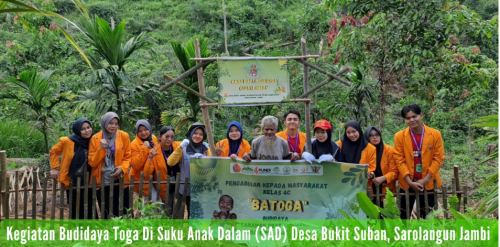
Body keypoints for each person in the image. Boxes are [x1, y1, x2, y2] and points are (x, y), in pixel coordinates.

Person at [393, 104, 445, 219]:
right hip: (407, 183)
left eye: (414, 116)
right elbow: (399, 159)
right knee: (403, 216)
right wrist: (409, 181)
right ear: (404, 120)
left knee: (428, 216)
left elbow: (439, 157)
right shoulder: (399, 136)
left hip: (428, 182)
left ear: (421, 116)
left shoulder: (435, 134)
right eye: (408, 118)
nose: (411, 120)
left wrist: (426, 179)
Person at [50, 118, 95, 219]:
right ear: (77, 130)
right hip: (72, 179)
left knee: (90, 204)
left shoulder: (93, 141)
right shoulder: (68, 141)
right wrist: (54, 167)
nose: (87, 131)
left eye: (88, 127)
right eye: (83, 129)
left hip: (89, 178)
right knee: (75, 205)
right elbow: (53, 151)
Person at [88, 112, 131, 219]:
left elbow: (128, 156)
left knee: (124, 208)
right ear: (104, 123)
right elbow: (92, 162)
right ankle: (110, 233)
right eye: (110, 123)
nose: (113, 126)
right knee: (107, 209)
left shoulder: (124, 136)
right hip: (103, 180)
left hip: (120, 178)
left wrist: (122, 168)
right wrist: (101, 149)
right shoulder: (95, 138)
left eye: (116, 123)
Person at [167, 122, 212, 219]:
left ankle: (194, 232)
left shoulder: (205, 148)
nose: (197, 136)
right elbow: (170, 162)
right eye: (195, 133)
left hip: (200, 187)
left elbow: (212, 165)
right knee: (180, 211)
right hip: (185, 185)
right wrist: (180, 147)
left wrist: (204, 160)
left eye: (200, 134)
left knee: (195, 212)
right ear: (191, 134)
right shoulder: (183, 147)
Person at [148, 126, 181, 216]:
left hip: (177, 185)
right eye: (166, 136)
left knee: (177, 210)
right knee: (167, 210)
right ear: (160, 136)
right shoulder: (154, 152)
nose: (169, 139)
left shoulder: (177, 147)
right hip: (163, 186)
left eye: (172, 137)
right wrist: (150, 158)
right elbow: (147, 173)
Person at [365, 126, 398, 207]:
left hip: (386, 188)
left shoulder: (389, 150)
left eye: (377, 134)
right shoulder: (363, 151)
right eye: (371, 135)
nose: (375, 137)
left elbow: (395, 170)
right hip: (369, 188)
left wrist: (383, 178)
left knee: (385, 215)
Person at [130, 120, 160, 204]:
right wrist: (144, 148)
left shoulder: (153, 138)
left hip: (153, 176)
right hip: (140, 179)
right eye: (140, 131)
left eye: (145, 129)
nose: (143, 133)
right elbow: (135, 165)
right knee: (145, 205)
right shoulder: (134, 144)